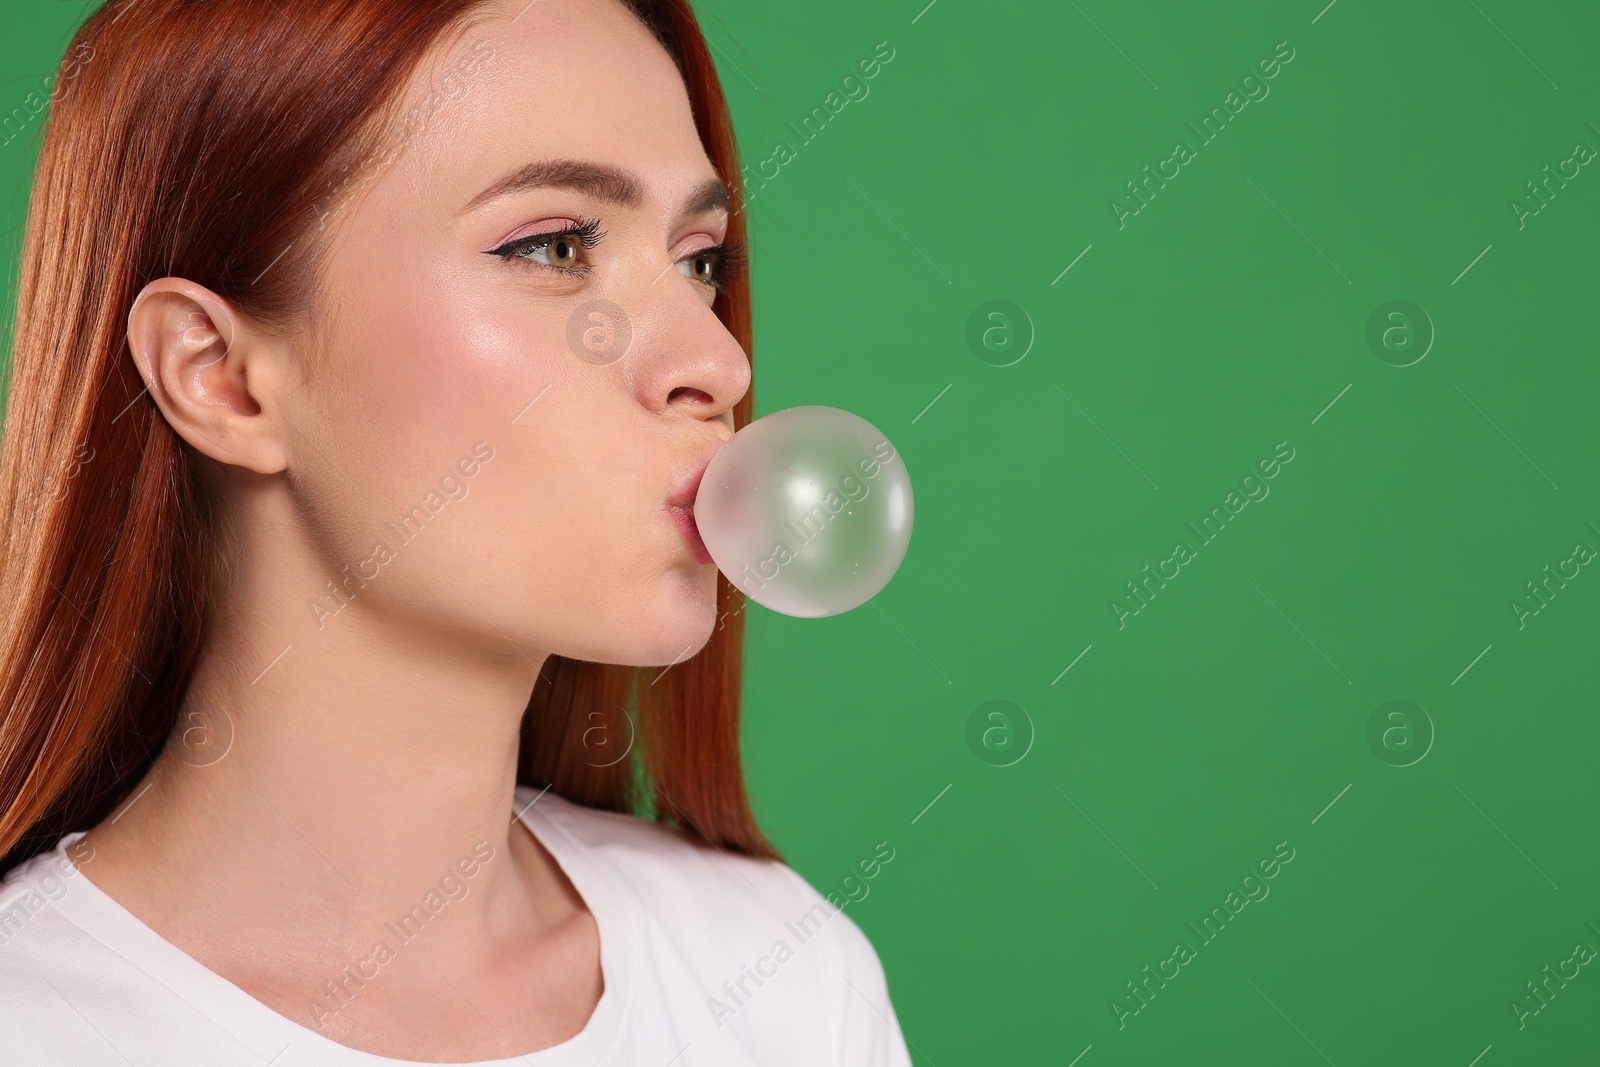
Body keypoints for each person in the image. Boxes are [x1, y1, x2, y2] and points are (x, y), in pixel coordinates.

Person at [0, 0, 915, 1063]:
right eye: (556, 245)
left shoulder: (778, 975)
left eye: (699, 259)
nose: (717, 364)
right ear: (219, 375)